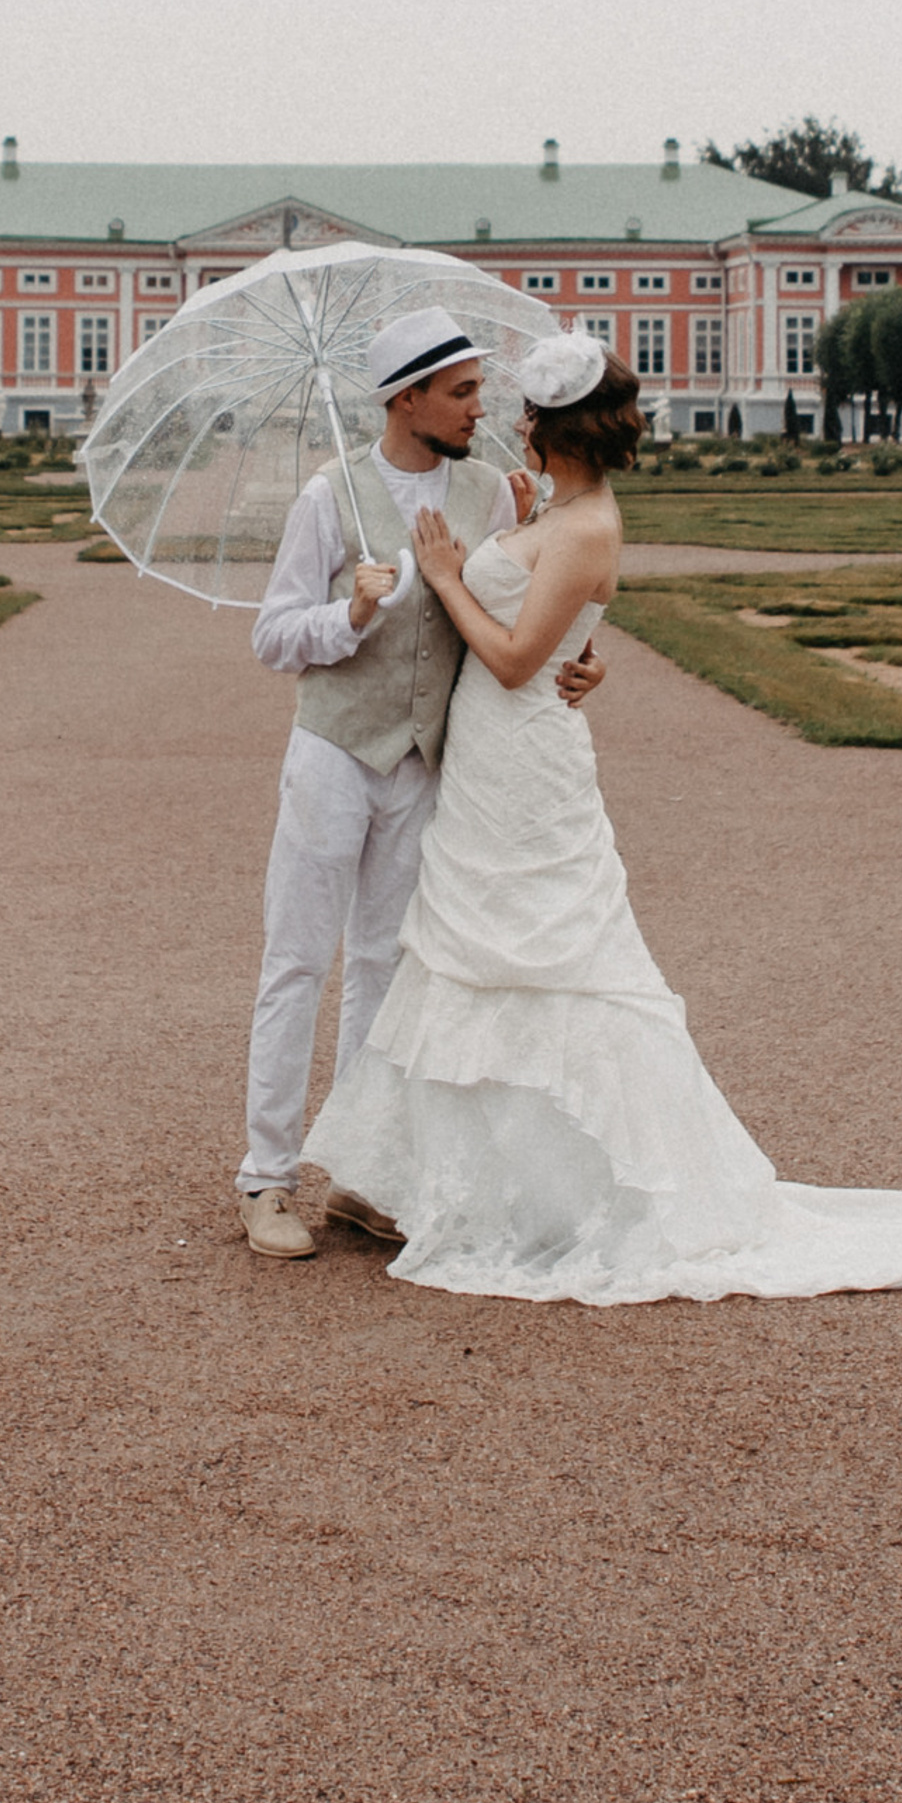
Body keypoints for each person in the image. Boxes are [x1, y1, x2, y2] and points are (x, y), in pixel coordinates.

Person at [304, 332, 902, 1305]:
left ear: (557, 431)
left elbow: (518, 659)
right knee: (461, 955)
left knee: (554, 960)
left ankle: (572, 1193)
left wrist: (449, 576)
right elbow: (559, 635)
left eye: (526, 417)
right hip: (484, 764)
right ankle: (441, 1178)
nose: (511, 426)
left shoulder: (589, 529)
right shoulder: (553, 510)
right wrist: (537, 585)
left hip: (525, 757)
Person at [237, 304, 603, 1262]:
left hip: (426, 761)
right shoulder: (330, 496)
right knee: (298, 962)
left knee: (386, 972)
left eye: (481, 389)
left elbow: (538, 594)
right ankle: (265, 1179)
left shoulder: (497, 493)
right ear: (409, 399)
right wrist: (345, 615)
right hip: (332, 751)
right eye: (464, 391)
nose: (483, 407)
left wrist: (582, 658)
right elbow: (273, 636)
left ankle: (362, 1176)